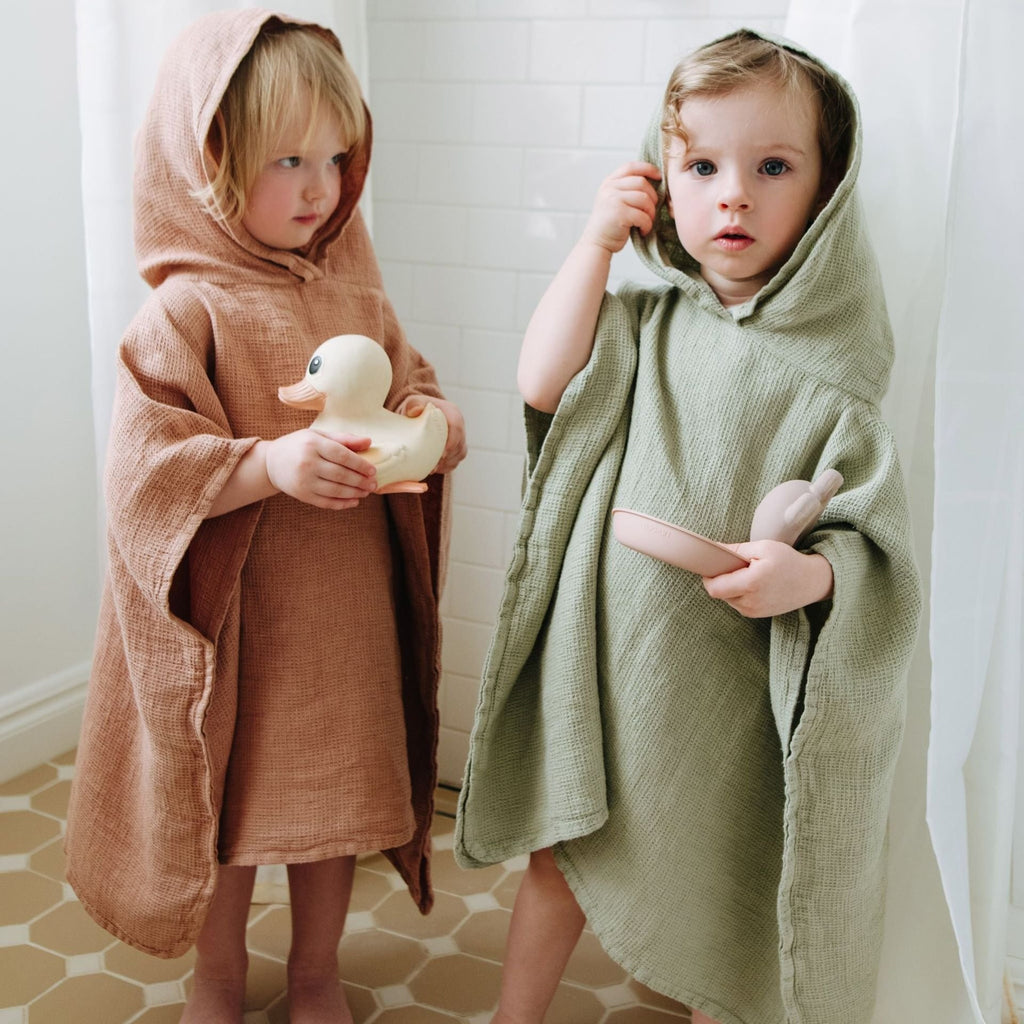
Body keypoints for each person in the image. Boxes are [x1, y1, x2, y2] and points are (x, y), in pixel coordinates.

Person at [455, 29, 919, 1024]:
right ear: (661, 178)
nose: (733, 194)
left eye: (772, 166)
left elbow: (872, 549)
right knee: (564, 851)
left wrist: (807, 578)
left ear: (826, 193)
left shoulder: (836, 374)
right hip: (610, 663)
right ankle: (511, 1017)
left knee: (721, 899)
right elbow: (541, 381)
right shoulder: (646, 319)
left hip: (723, 685)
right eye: (700, 164)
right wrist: (590, 243)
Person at [65, 10, 465, 1024]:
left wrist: (432, 425)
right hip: (243, 630)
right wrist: (266, 462)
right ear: (208, 161)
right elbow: (143, 470)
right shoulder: (184, 312)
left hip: (345, 620)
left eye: (337, 157)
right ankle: (217, 976)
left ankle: (319, 969)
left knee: (331, 811)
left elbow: (418, 388)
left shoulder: (356, 296)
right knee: (228, 814)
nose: (320, 186)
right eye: (288, 158)